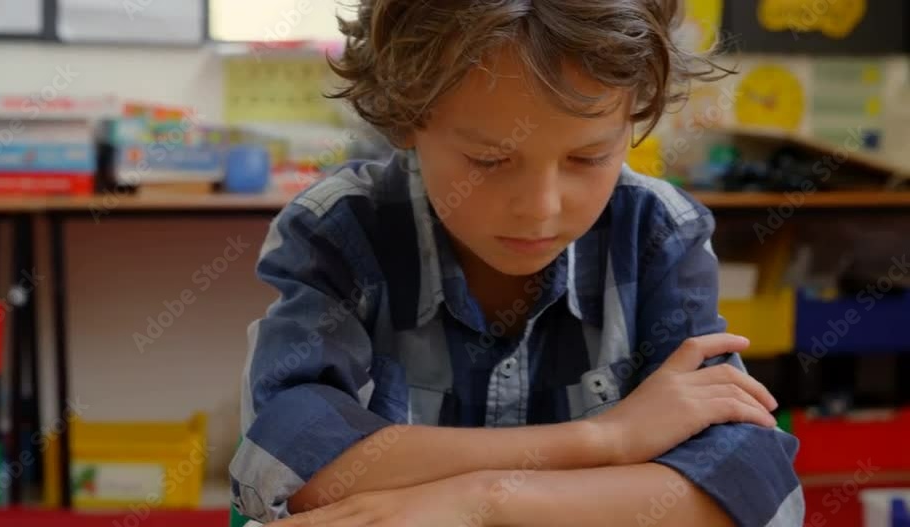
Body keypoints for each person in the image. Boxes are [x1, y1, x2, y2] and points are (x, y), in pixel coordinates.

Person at [230, 1, 803, 525]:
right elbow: (288, 461)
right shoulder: (340, 229)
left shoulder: (658, 233)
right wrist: (605, 440)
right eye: (489, 159)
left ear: (633, 117)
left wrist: (485, 500)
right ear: (405, 116)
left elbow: (751, 488)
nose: (540, 208)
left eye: (589, 156)